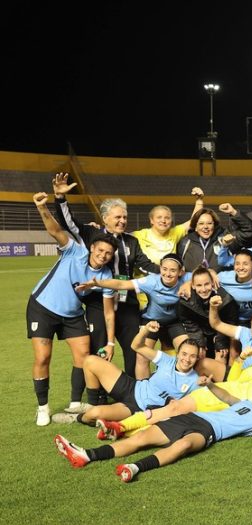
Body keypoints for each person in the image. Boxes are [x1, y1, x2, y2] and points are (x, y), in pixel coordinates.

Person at [54, 381, 252, 483]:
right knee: (140, 438)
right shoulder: (247, 403)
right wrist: (210, 385)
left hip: (208, 431)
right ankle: (86, 455)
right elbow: (227, 396)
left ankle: (135, 469)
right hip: (192, 416)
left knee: (184, 446)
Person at [51, 173, 159, 377]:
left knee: (133, 349)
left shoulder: (132, 241)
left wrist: (170, 272)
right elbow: (68, 223)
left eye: (125, 217)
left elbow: (146, 265)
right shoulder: (92, 234)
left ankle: (134, 392)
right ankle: (98, 395)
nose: (122, 221)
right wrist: (60, 198)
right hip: (98, 302)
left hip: (127, 304)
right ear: (105, 218)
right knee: (100, 350)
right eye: (118, 217)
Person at [28, 191, 117, 425]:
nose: (103, 255)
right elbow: (55, 231)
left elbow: (109, 311)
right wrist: (41, 207)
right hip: (43, 306)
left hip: (73, 315)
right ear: (93, 247)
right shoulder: (76, 251)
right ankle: (43, 407)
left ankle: (76, 404)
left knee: (82, 356)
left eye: (108, 254)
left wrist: (110, 342)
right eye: (100, 250)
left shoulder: (106, 275)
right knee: (43, 357)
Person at [97, 346, 252, 440]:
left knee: (175, 422)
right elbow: (236, 379)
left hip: (236, 412)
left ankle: (125, 433)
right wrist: (240, 360)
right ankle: (121, 426)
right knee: (174, 408)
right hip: (224, 393)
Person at [64, 322, 201, 425]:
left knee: (94, 414)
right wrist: (145, 330)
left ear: (197, 358)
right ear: (178, 354)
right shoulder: (167, 360)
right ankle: (93, 404)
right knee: (90, 361)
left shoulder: (194, 381)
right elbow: (136, 346)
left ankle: (77, 418)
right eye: (184, 354)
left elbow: (192, 405)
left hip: (136, 408)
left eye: (192, 356)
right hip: (132, 387)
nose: (187, 359)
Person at [77, 253, 187, 379]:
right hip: (151, 321)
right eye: (164, 269)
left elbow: (208, 276)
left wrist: (189, 284)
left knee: (187, 351)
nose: (167, 273)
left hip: (174, 322)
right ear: (160, 268)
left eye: (173, 270)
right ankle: (143, 392)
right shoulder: (151, 281)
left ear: (180, 272)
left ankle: (182, 387)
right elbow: (122, 285)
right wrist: (98, 283)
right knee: (141, 356)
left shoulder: (186, 279)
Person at [172, 266, 239, 363]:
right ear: (193, 286)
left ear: (212, 283)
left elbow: (229, 323)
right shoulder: (185, 301)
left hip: (220, 333)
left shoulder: (225, 299)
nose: (203, 289)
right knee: (197, 355)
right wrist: (199, 343)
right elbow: (189, 323)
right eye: (199, 285)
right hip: (200, 332)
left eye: (206, 284)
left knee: (221, 356)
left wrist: (221, 343)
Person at [130, 188, 205, 264]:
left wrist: (199, 200)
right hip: (144, 275)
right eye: (159, 217)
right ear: (151, 220)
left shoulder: (175, 233)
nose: (163, 221)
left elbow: (194, 221)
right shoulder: (139, 235)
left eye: (167, 218)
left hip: (168, 275)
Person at [218, 250, 252, 325]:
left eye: (245, 264)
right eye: (237, 264)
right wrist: (211, 272)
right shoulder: (224, 278)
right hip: (240, 321)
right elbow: (207, 277)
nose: (241, 267)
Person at [177, 207, 227, 272]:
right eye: (201, 223)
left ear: (214, 226)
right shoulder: (185, 242)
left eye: (209, 223)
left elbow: (244, 233)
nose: (205, 227)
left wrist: (233, 212)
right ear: (195, 227)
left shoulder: (223, 240)